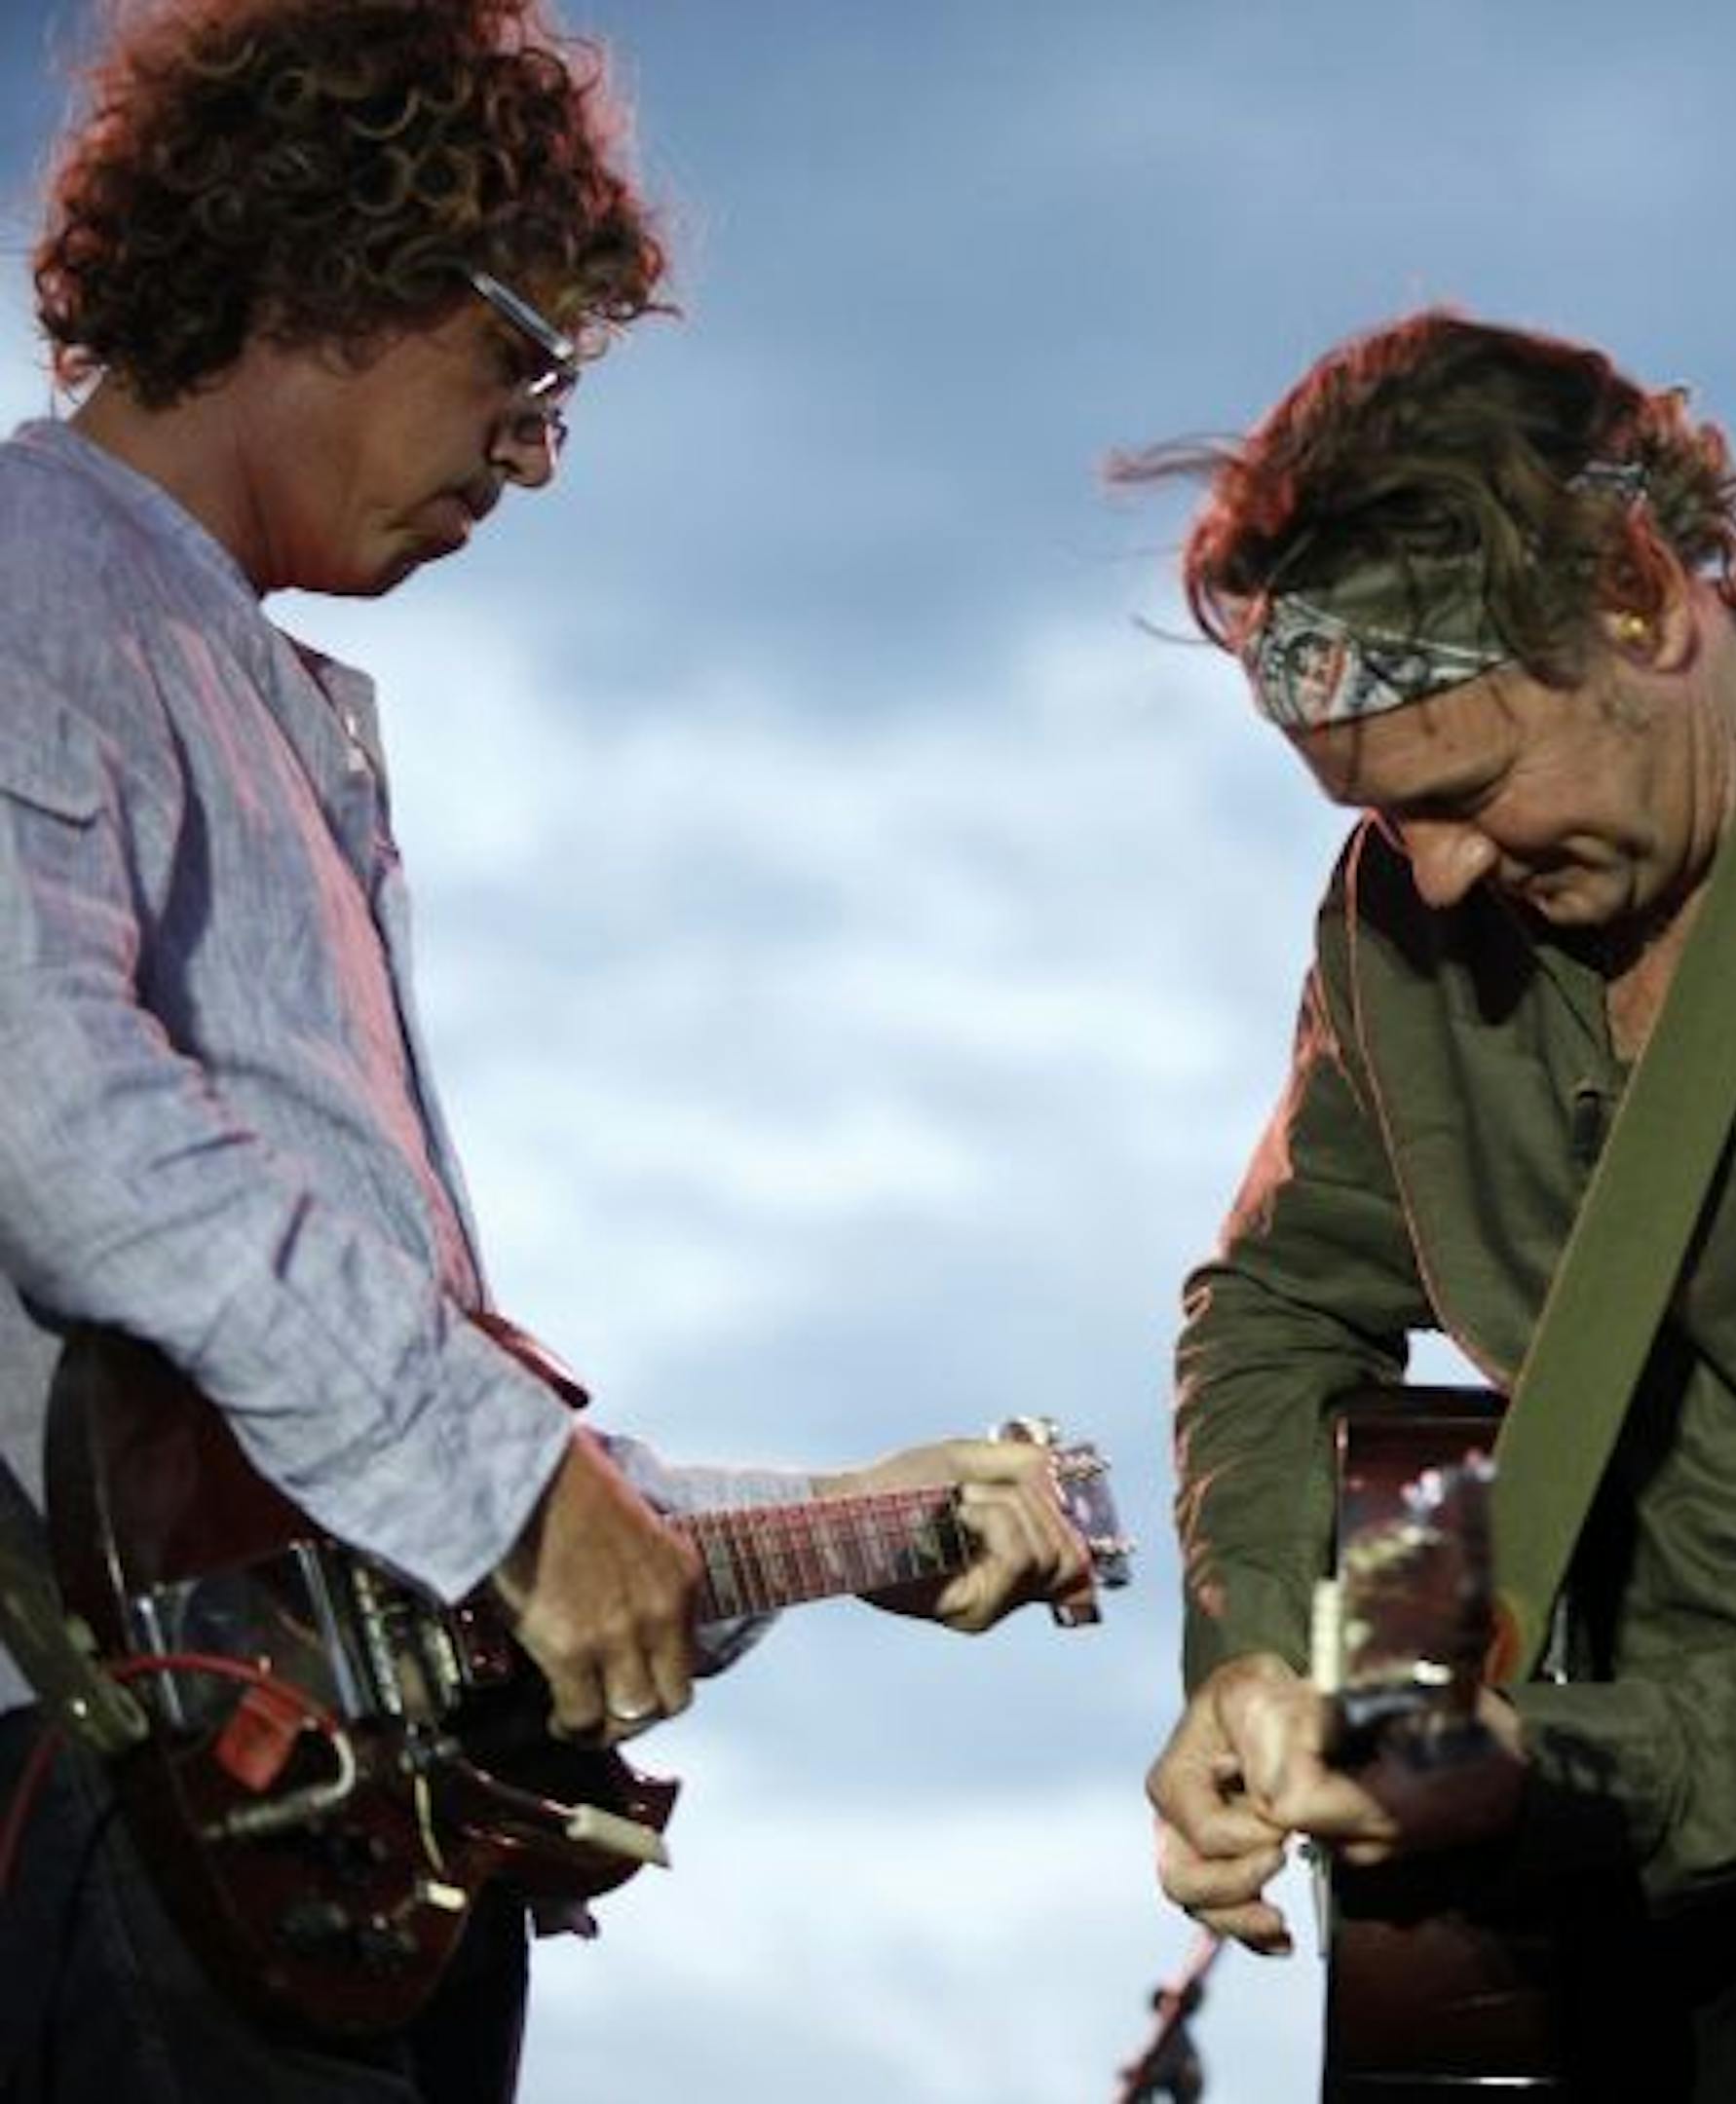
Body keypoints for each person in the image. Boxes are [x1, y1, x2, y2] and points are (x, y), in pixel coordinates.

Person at [0, 4, 1094, 2099]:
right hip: (136, 1826)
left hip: (297, 1854)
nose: (533, 452)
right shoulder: (39, 574)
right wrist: (516, 1489)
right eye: (523, 362)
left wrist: (835, 1522)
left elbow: (341, 1454)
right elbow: (52, 1113)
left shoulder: (224, 672)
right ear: (335, 267)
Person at [1131, 311, 1736, 2098]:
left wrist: (1561, 1772)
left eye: (1471, 789)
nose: (1427, 869)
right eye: (1375, 810)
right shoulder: (1408, 904)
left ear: (1642, 605)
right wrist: (1268, 1660)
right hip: (1608, 1884)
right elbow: (1275, 1304)